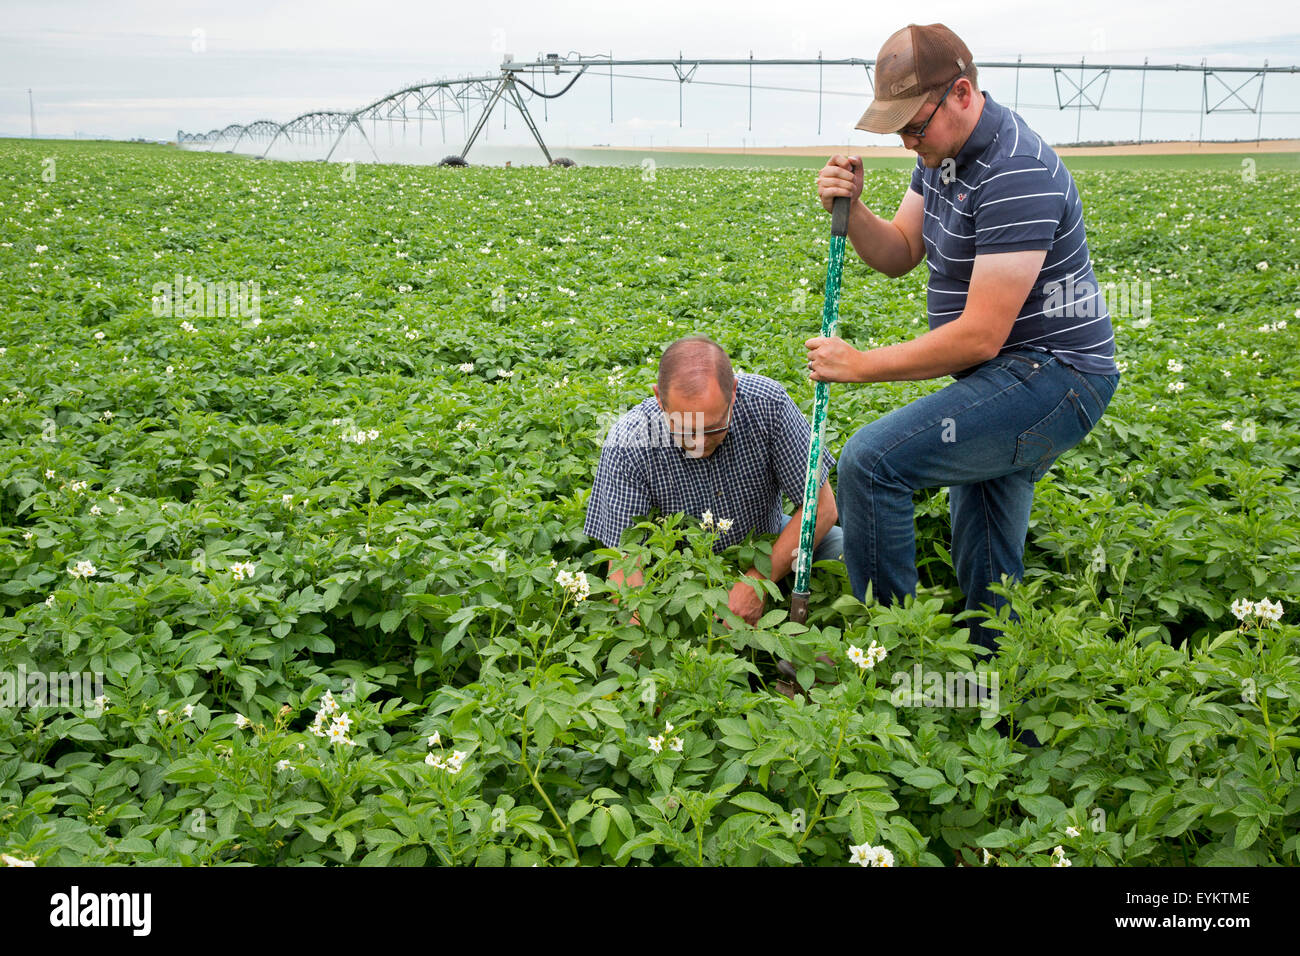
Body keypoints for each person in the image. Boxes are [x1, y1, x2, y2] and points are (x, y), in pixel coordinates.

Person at [808, 23, 1120, 654]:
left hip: (1055, 377)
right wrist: (855, 207)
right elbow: (899, 252)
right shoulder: (941, 157)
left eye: (913, 126)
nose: (905, 141)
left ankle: (897, 654)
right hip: (1004, 377)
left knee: (871, 464)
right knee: (982, 546)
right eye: (896, 129)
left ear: (961, 93)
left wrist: (862, 365)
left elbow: (979, 336)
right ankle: (986, 686)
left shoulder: (1016, 170)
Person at [584, 334, 843, 626]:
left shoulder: (768, 405)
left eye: (712, 428)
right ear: (659, 398)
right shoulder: (629, 441)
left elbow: (821, 508)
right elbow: (625, 562)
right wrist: (644, 640)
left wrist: (758, 581)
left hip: (765, 545)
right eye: (683, 428)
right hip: (682, 577)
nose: (697, 441)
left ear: (733, 391)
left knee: (846, 553)